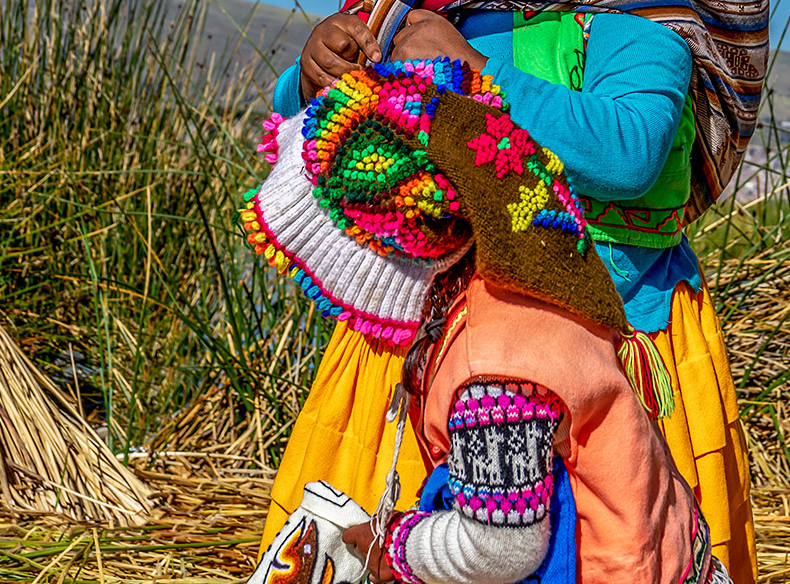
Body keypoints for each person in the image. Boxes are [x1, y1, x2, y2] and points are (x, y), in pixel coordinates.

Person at [258, 0, 767, 580]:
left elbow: (633, 151)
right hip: (416, 332)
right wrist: (309, 74)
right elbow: (327, 118)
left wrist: (471, 72)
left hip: (582, 338)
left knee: (586, 547)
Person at [244, 61, 730, 583]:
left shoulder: (492, 369)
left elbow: (500, 547)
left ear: (405, 246)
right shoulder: (529, 294)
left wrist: (392, 551)